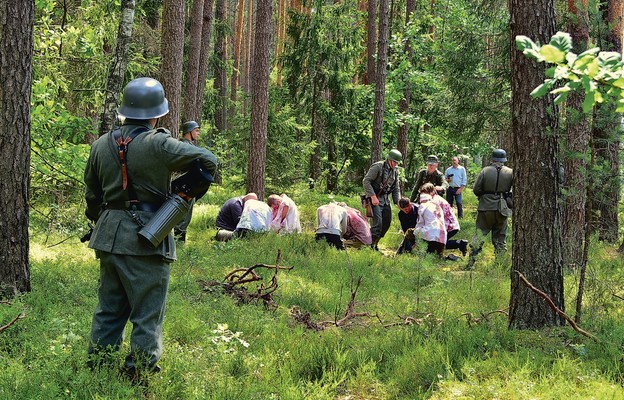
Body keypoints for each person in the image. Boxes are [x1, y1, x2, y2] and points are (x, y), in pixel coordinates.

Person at [84, 77, 218, 379]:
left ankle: (98, 371)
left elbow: (92, 197)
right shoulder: (159, 143)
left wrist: (100, 220)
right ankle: (139, 375)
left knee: (109, 310)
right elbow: (208, 160)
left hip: (108, 235)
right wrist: (184, 191)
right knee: (147, 314)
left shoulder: (99, 145)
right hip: (149, 235)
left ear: (125, 110)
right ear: (157, 113)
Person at [466, 148, 513, 269]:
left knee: (480, 234)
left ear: (493, 159)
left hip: (485, 207)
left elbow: (476, 189)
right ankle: (501, 265)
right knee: (500, 238)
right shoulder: (510, 172)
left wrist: (484, 196)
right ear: (504, 160)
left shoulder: (485, 171)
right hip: (502, 208)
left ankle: (471, 263)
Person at [363, 149, 402, 250]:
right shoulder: (378, 166)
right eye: (394, 161)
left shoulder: (395, 171)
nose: (395, 164)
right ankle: (369, 246)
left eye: (397, 162)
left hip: (385, 200)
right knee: (377, 224)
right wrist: (372, 196)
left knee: (386, 222)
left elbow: (396, 188)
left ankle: (375, 243)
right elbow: (366, 181)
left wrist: (398, 201)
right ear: (389, 159)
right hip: (374, 199)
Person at [420, 183, 468, 258]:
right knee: (436, 244)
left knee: (439, 243)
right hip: (448, 225)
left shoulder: (434, 201)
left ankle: (460, 244)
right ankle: (460, 243)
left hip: (448, 226)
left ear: (431, 192)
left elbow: (438, 218)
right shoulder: (433, 199)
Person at [174, 120, 202, 242]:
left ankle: (178, 240)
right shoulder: (185, 147)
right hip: (184, 186)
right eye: (196, 130)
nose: (198, 133)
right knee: (182, 216)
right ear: (189, 132)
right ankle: (178, 241)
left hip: (186, 185)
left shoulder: (183, 145)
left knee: (183, 215)